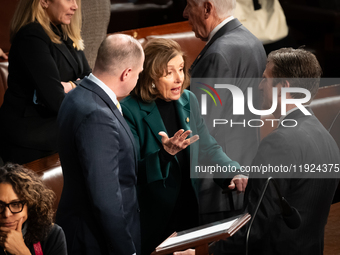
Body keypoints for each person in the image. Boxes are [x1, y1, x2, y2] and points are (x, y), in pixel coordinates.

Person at [175, 48, 340, 255]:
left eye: (265, 79)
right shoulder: (325, 137)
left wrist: (203, 253)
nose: (260, 86)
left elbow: (256, 226)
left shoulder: (279, 142)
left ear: (283, 87)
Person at [120, 38, 247, 255]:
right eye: (169, 72)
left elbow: (207, 147)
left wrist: (232, 170)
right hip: (153, 216)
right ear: (151, 76)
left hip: (188, 209)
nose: (179, 78)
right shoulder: (129, 110)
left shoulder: (188, 100)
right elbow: (130, 171)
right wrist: (165, 154)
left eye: (181, 69)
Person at [56, 34, 144, 255]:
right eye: (139, 73)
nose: (137, 80)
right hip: (96, 241)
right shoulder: (97, 114)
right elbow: (106, 197)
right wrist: (127, 249)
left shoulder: (78, 94)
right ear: (127, 73)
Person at [183, 0, 267, 224]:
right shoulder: (251, 40)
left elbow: (201, 127)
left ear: (207, 8)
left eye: (189, 4)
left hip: (217, 185)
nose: (184, 13)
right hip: (244, 169)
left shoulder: (217, 53)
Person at [0, 0, 91, 164]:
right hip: (30, 143)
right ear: (44, 2)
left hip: (59, 134)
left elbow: (91, 80)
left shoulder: (63, 31)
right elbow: (56, 100)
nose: (75, 6)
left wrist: (70, 85)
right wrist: (80, 86)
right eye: (68, 0)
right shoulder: (31, 36)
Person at [0, 163, 67, 255]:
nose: (7, 214)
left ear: (30, 204)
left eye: (15, 204)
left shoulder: (52, 235)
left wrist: (22, 252)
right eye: (0, 206)